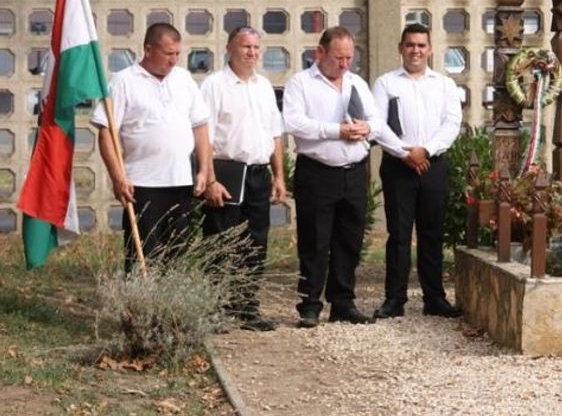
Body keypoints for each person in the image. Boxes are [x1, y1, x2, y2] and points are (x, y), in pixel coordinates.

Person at [93, 23, 220, 273]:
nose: (173, 60)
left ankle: (170, 309)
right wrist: (118, 177)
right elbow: (106, 131)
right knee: (143, 254)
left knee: (177, 253)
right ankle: (140, 308)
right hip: (142, 184)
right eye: (167, 53)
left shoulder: (183, 79)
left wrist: (204, 170)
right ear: (148, 49)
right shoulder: (124, 81)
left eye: (177, 54)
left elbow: (201, 126)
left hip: (181, 182)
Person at [283, 26, 384, 328]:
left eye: (349, 58)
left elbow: (377, 120)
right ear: (320, 53)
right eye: (338, 57)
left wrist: (366, 129)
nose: (344, 64)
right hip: (317, 172)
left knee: (349, 238)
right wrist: (335, 130)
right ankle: (310, 304)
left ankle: (343, 301)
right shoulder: (300, 83)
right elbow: (293, 122)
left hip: (353, 172)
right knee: (315, 240)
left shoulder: (356, 83)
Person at [370, 24, 464, 319]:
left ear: (430, 49)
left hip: (433, 165)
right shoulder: (385, 83)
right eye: (410, 45)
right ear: (401, 48)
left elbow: (452, 123)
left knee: (432, 233)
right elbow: (377, 124)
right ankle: (394, 300)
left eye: (421, 45)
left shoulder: (444, 84)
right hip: (398, 166)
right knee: (398, 234)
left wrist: (426, 150)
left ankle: (434, 298)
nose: (415, 51)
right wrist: (405, 153)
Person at [199, 26, 287, 332]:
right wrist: (209, 179)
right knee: (220, 242)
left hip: (259, 173)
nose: (251, 52)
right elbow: (204, 136)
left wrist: (279, 175)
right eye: (245, 47)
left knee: (255, 243)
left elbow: (275, 133)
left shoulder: (264, 85)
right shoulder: (214, 85)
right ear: (229, 49)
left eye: (255, 47)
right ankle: (214, 308)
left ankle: (246, 306)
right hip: (228, 172)